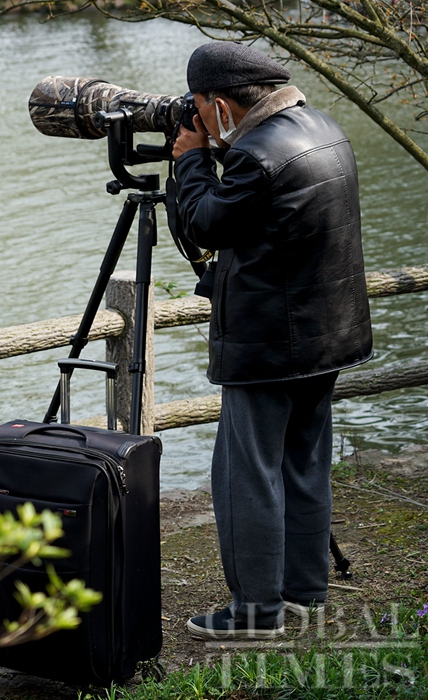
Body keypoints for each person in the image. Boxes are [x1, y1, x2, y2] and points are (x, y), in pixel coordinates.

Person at [171, 42, 373, 640]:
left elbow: (205, 223)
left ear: (221, 103)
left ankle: (255, 613)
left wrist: (190, 160)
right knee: (304, 462)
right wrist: (216, 150)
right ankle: (303, 592)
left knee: (247, 476)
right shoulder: (323, 127)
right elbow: (276, 228)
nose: (197, 117)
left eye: (200, 107)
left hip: (267, 346)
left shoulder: (256, 155)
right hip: (327, 334)